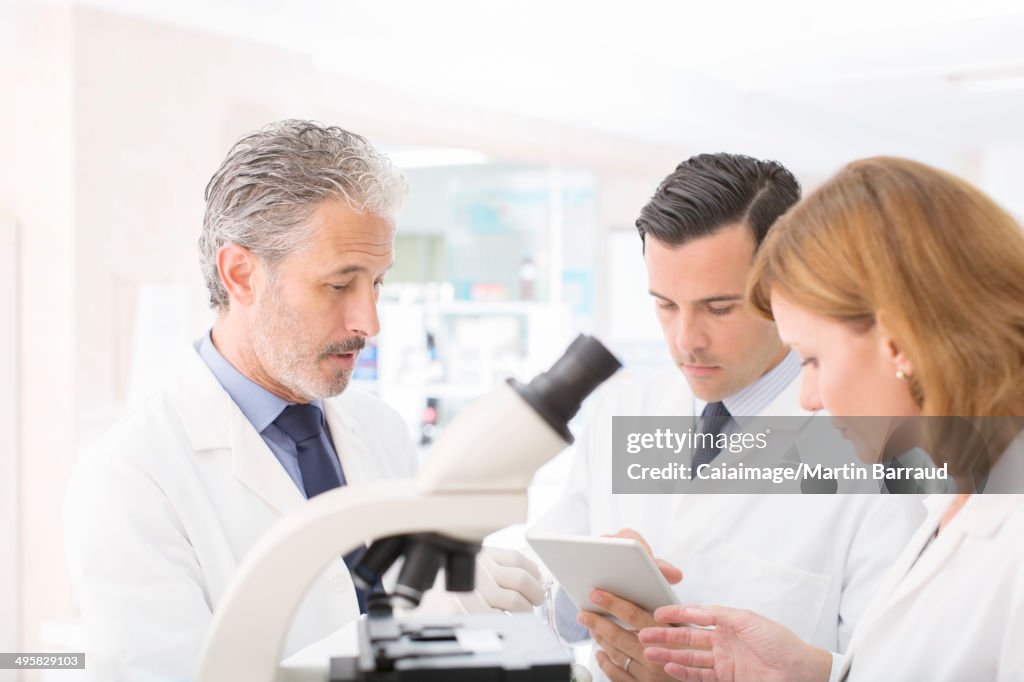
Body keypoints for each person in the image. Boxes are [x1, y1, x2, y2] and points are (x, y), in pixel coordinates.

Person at [64, 120, 539, 681]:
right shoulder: (132, 476)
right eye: (339, 285)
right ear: (241, 274)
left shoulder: (380, 429)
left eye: (378, 283)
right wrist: (405, 627)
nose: (369, 322)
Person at [531, 153, 923, 682]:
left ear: (787, 285)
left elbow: (896, 668)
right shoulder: (623, 412)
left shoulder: (876, 453)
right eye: (666, 305)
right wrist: (590, 596)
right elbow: (551, 605)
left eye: (719, 308)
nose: (685, 341)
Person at [640, 156, 1024, 682]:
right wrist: (815, 675)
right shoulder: (956, 498)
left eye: (813, 359)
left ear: (900, 340)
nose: (808, 398)